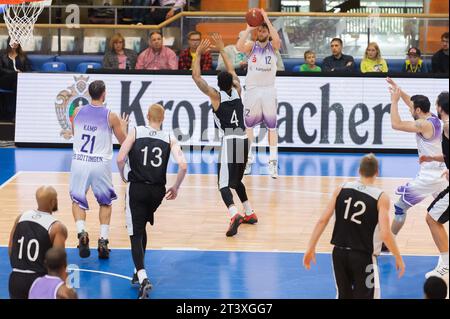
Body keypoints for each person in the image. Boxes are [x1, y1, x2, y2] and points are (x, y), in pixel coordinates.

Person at [303, 154, 405, 299]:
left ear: (359, 170)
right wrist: (398, 256)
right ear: (377, 172)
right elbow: (385, 234)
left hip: (339, 254)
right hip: (363, 257)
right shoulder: (381, 197)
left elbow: (322, 220)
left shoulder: (341, 189)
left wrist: (310, 247)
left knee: (343, 296)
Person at [117, 104, 187, 299]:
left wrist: (123, 175)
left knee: (135, 232)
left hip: (137, 188)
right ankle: (137, 271)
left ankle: (143, 277)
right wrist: (176, 187)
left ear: (147, 116)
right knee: (142, 226)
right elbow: (183, 165)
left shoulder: (136, 131)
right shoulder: (169, 137)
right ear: (163, 119)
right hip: (157, 192)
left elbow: (120, 158)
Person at [193, 34, 258, 237]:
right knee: (237, 180)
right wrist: (222, 49)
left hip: (229, 140)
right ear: (231, 82)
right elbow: (231, 70)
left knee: (222, 184)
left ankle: (233, 214)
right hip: (243, 139)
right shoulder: (238, 89)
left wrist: (198, 55)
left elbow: (196, 78)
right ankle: (249, 212)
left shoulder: (216, 96)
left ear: (218, 84)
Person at [384, 78, 448, 251]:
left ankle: (388, 243)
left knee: (400, 206)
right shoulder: (433, 117)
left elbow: (395, 124)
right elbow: (410, 102)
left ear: (418, 110)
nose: (409, 109)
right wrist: (398, 89)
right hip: (441, 173)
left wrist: (394, 101)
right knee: (441, 211)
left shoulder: (422, 124)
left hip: (429, 177)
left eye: (412, 108)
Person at [70, 80, 129, 260]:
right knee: (105, 203)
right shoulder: (111, 116)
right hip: (100, 164)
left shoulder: (77, 112)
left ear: (89, 93)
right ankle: (103, 240)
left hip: (79, 161)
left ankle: (82, 233)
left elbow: (75, 133)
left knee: (77, 200)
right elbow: (124, 142)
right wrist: (124, 127)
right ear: (104, 94)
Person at [236, 9, 282, 178]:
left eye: (264, 30)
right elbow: (238, 47)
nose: (262, 32)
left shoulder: (273, 46)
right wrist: (249, 28)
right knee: (249, 127)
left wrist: (267, 21)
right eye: (260, 30)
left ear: (268, 32)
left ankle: (273, 162)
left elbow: (277, 40)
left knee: (272, 127)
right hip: (253, 90)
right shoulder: (251, 46)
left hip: (269, 90)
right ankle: (248, 161)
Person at [8, 186, 68, 299]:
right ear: (53, 201)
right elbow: (58, 260)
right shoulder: (57, 227)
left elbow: (11, 248)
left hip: (16, 279)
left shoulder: (21, 218)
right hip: (39, 280)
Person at [419, 92, 449, 279]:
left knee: (432, 218)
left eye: (436, 104)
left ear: (439, 107)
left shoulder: (447, 125)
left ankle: (446, 265)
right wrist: (430, 157)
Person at [0, 37, 32, 121]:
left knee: (17, 82)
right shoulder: (2, 56)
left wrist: (21, 74)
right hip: (4, 81)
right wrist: (14, 73)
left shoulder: (23, 57)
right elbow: (1, 70)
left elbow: (28, 70)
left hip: (19, 82)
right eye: (12, 41)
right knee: (16, 76)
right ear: (9, 43)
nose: (14, 43)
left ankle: (14, 114)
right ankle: (17, 113)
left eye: (16, 41)